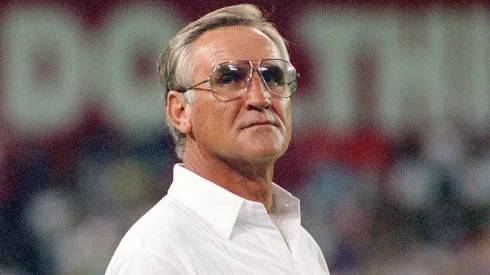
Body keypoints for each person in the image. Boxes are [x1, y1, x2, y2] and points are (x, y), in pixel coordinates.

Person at [106, 4, 329, 275]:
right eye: (229, 79)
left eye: (273, 77)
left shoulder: (304, 246)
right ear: (180, 111)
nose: (261, 98)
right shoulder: (157, 254)